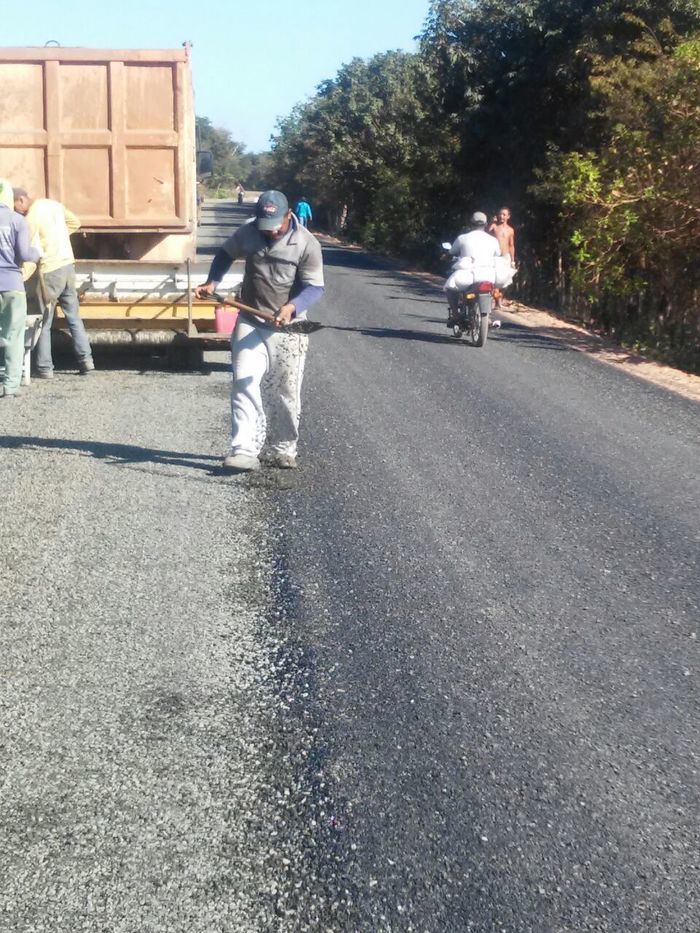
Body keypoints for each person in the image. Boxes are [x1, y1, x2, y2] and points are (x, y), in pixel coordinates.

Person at [194, 189, 324, 472]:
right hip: (250, 321)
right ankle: (244, 448)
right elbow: (225, 254)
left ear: (289, 216)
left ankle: (283, 448)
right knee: (243, 381)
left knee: (286, 391)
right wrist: (212, 282)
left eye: (275, 226)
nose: (269, 233)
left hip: (290, 328)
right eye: (264, 227)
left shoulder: (306, 243)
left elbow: (315, 287)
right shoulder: (249, 231)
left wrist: (291, 307)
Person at [13, 188, 94, 378]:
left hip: (50, 271)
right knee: (74, 318)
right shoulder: (52, 204)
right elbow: (75, 222)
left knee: (44, 322)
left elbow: (31, 254)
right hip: (68, 266)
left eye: (16, 206)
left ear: (22, 199)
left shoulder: (31, 218)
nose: (17, 211)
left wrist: (20, 277)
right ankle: (87, 361)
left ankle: (44, 368)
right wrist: (59, 236)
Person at [0, 180, 42, 398]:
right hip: (12, 287)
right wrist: (37, 252)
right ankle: (10, 385)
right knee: (13, 336)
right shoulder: (17, 220)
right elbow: (25, 254)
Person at [444, 211, 501, 327]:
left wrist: (446, 256)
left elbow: (451, 254)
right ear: (485, 224)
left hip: (467, 275)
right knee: (489, 292)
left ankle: (455, 316)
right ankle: (488, 317)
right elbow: (498, 255)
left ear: (471, 224)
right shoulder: (493, 240)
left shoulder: (462, 238)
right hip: (488, 274)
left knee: (449, 288)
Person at [488, 207, 516, 310]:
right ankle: (496, 300)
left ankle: (499, 300)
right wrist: (491, 223)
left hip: (506, 257)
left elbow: (511, 245)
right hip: (495, 257)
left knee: (505, 281)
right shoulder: (494, 227)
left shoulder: (511, 230)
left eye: (504, 214)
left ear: (508, 216)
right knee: (495, 280)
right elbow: (486, 234)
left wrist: (513, 260)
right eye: (500, 214)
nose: (501, 216)